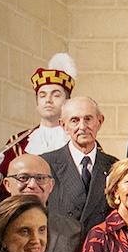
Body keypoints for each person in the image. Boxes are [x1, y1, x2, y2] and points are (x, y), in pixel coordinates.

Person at [0, 53, 75, 201]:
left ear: (68, 102)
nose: (48, 100)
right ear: (37, 103)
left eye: (56, 95)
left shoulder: (78, 139)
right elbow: (4, 192)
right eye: (42, 95)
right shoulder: (18, 142)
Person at [43, 96, 119, 232]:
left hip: (99, 249)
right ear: (63, 125)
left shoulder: (114, 166)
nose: (82, 127)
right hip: (61, 250)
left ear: (100, 121)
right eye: (74, 120)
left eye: (88, 119)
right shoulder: (46, 164)